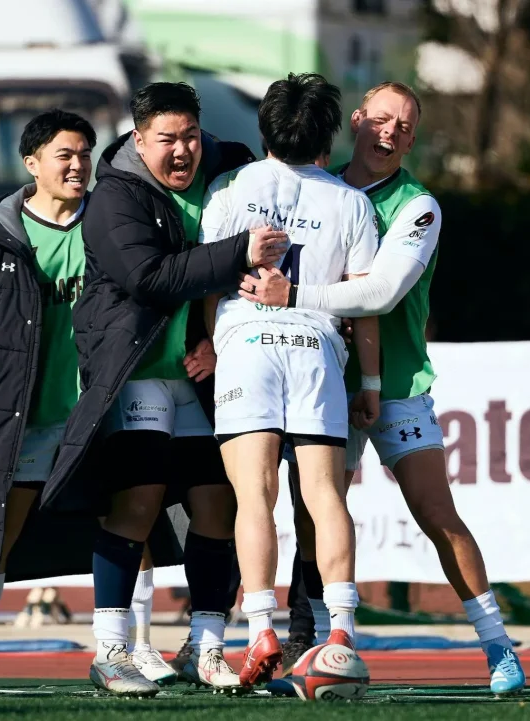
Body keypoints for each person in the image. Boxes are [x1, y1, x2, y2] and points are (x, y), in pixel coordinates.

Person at [239, 81, 528, 696]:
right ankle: (318, 645)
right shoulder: (319, 186)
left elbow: (381, 292)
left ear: (412, 139)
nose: (390, 131)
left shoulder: (418, 206)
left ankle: (498, 644)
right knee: (316, 512)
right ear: (357, 120)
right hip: (322, 380)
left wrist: (293, 296)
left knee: (435, 512)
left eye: (404, 124)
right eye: (381, 119)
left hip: (394, 384)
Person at [38, 82, 288, 698]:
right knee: (139, 504)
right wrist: (239, 251)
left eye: (191, 136)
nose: (182, 151)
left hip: (202, 378)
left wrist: (216, 337)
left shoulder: (229, 166)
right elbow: (148, 278)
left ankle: (205, 646)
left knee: (219, 505)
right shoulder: (113, 196)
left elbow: (275, 195)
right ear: (139, 139)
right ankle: (111, 651)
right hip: (138, 373)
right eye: (167, 140)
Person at [199, 72, 382, 688]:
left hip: (248, 343)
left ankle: (260, 631)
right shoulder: (351, 202)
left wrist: (219, 342)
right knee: (325, 496)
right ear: (327, 136)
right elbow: (363, 302)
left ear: (265, 129)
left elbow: (209, 281)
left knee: (255, 497)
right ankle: (341, 634)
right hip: (315, 347)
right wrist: (370, 381)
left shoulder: (230, 188)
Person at [0, 109, 98, 694]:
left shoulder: (109, 224)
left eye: (85, 154)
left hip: (98, 414)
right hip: (23, 416)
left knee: (129, 525)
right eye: (65, 155)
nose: (78, 165)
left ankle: (128, 651)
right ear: (32, 164)